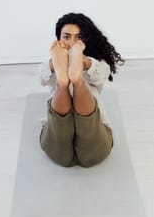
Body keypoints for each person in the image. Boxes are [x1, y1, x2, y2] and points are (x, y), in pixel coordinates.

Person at [39, 12, 124, 168]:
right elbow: (42, 78)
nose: (72, 42)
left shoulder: (96, 62)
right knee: (64, 155)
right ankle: (63, 83)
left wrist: (82, 61)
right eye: (66, 37)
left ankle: (77, 80)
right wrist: (56, 64)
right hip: (57, 132)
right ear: (58, 39)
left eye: (79, 37)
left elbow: (101, 75)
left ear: (86, 40)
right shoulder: (54, 60)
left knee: (85, 155)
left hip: (96, 132)